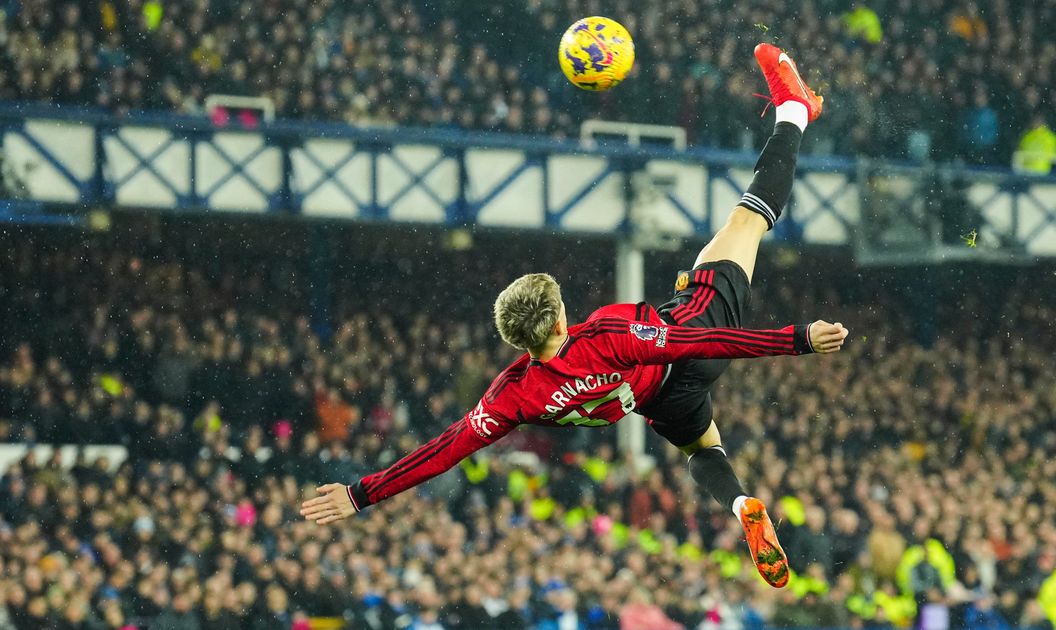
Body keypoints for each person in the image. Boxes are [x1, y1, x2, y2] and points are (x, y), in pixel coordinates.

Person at [300, 43, 848, 589]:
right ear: (561, 320)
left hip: (659, 403)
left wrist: (361, 493)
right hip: (690, 339)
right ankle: (793, 111)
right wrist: (798, 338)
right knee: (746, 223)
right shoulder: (605, 333)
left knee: (702, 447)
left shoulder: (513, 394)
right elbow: (691, 345)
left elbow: (442, 451)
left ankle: (739, 502)